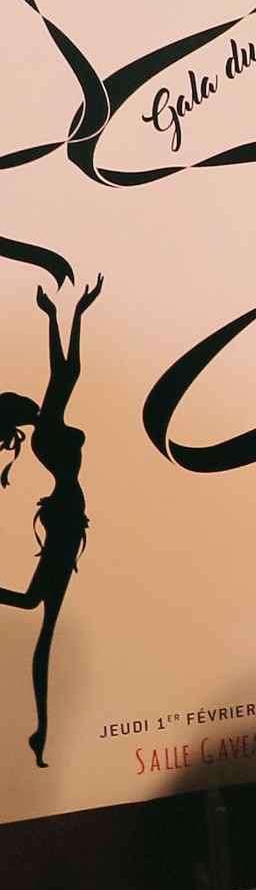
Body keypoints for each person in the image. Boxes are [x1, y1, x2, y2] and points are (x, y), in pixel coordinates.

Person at [0, 275, 103, 768]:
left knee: (41, 617)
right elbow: (67, 369)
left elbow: (65, 369)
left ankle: (42, 731)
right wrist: (67, 315)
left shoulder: (47, 428)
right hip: (64, 518)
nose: (36, 399)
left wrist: (65, 315)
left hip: (66, 516)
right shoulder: (49, 426)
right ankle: (41, 731)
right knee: (41, 616)